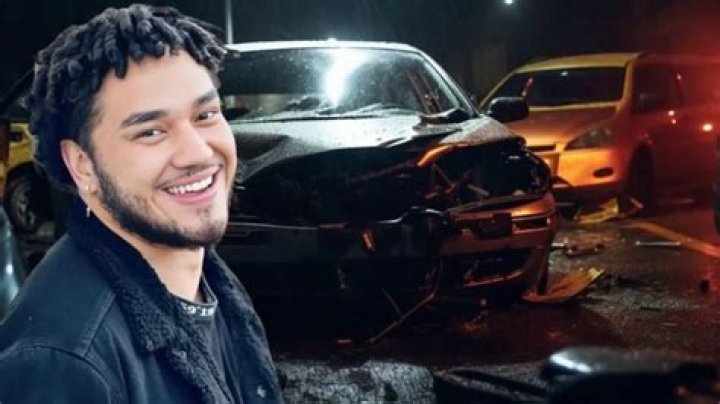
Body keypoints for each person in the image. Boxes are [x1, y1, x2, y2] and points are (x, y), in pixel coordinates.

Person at [0, 4, 282, 403]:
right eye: (151, 131)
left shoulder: (203, 277)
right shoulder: (63, 364)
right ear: (83, 165)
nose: (198, 152)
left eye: (205, 114)